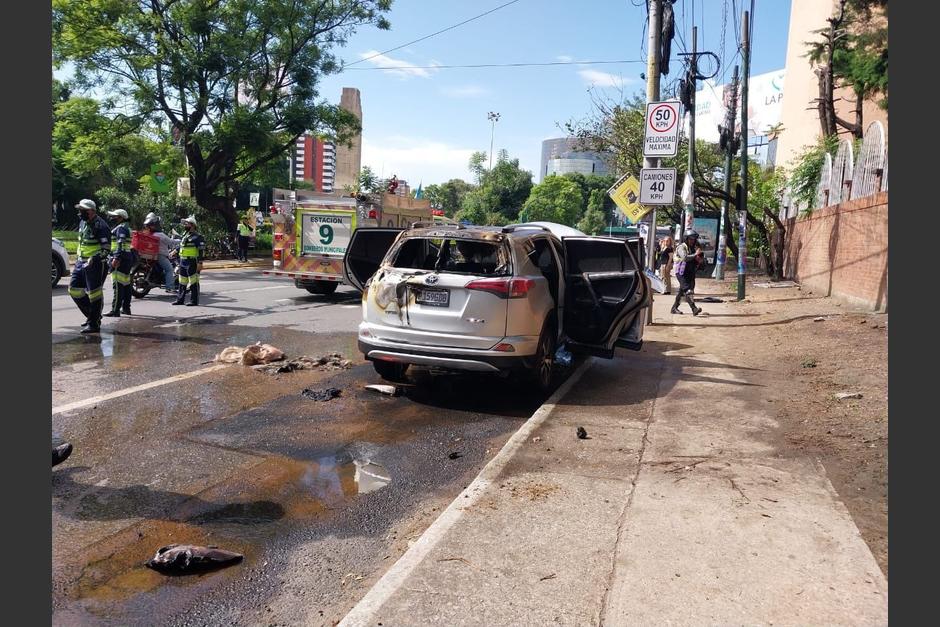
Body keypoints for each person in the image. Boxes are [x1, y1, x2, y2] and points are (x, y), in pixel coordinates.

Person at [69, 199, 111, 333]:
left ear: (91, 211)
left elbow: (106, 250)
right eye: (79, 210)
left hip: (95, 264)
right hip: (80, 262)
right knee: (74, 289)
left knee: (94, 294)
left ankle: (94, 323)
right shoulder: (82, 223)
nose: (80, 213)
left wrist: (95, 258)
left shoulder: (101, 226)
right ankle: (93, 316)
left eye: (83, 210)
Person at [103, 209, 135, 317]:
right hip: (127, 257)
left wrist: (116, 258)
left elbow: (120, 243)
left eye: (115, 216)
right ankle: (126, 308)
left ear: (121, 217)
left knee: (117, 285)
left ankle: (115, 310)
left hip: (120, 259)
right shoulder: (127, 227)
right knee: (126, 284)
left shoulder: (121, 228)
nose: (112, 218)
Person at [173, 216, 205, 306]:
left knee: (193, 282)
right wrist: (175, 251)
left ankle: (194, 301)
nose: (185, 225)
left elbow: (201, 251)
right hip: (183, 261)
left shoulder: (198, 237)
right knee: (182, 281)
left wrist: (200, 263)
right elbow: (181, 246)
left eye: (186, 224)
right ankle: (180, 300)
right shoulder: (185, 236)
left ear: (192, 225)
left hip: (192, 261)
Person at [671, 230, 704, 316]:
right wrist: (695, 255)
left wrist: (699, 259)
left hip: (690, 271)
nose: (692, 241)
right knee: (688, 290)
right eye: (691, 239)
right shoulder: (681, 247)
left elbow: (698, 259)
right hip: (681, 272)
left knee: (682, 291)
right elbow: (685, 258)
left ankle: (674, 308)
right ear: (686, 239)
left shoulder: (694, 248)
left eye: (694, 239)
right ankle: (694, 309)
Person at [143, 213, 179, 292]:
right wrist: (180, 240)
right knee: (169, 269)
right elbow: (171, 242)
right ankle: (170, 287)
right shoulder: (160, 235)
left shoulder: (148, 234)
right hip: (160, 255)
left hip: (149, 255)